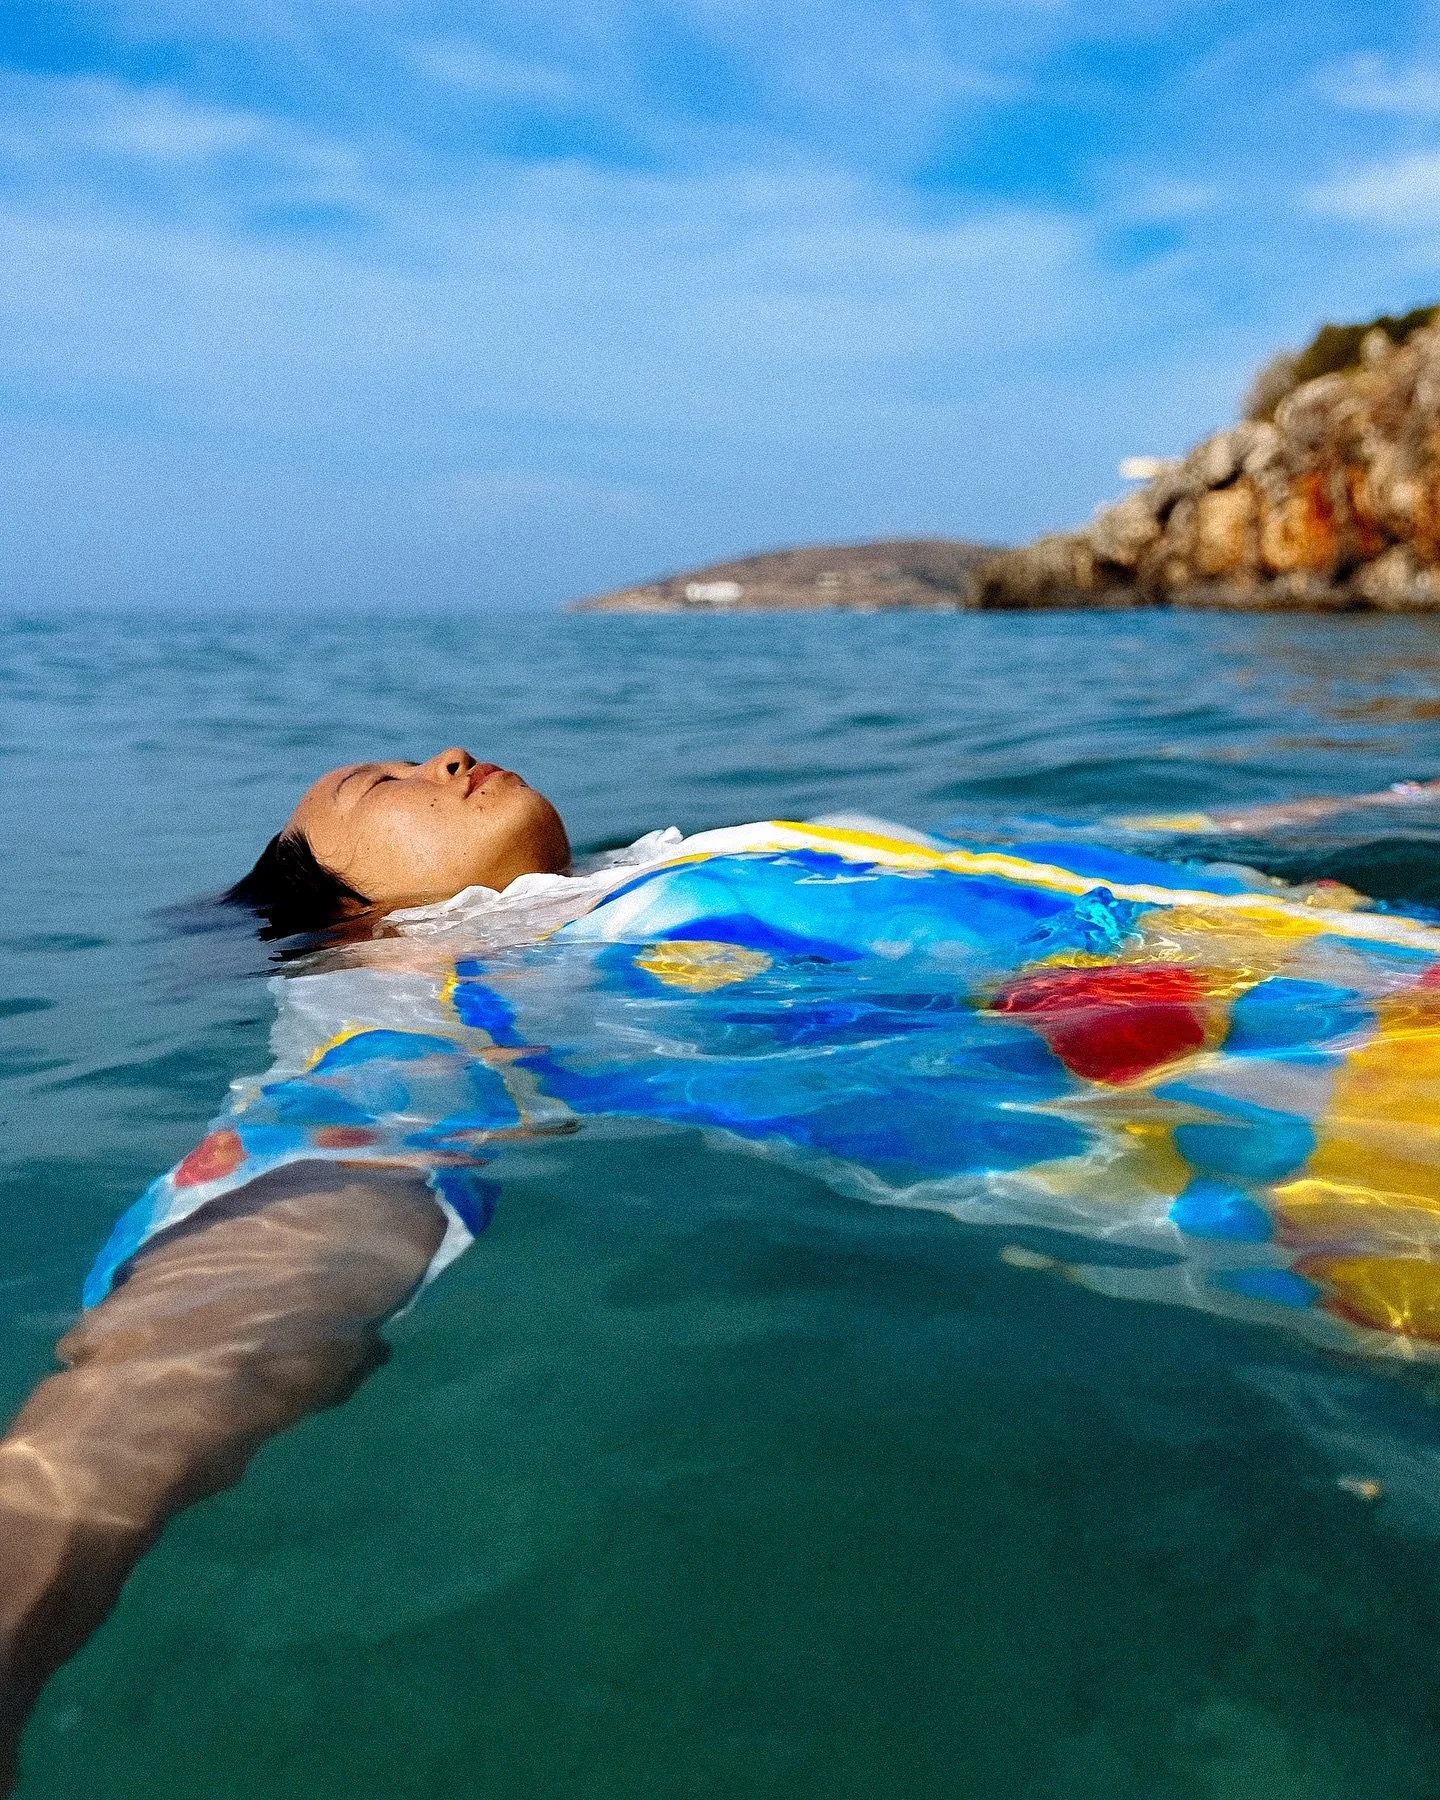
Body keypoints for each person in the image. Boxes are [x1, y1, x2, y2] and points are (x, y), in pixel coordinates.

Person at [7, 747, 1440, 1788]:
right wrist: (49, 1533)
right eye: (378, 788)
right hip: (1343, 1139)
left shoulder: (685, 861)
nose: (444, 756)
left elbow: (1089, 847)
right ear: (341, 901)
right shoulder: (448, 994)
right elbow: (303, 1226)